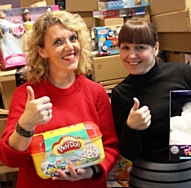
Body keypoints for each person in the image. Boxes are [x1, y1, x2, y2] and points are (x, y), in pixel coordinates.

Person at [111, 18, 191, 188]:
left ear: (155, 48)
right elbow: (129, 154)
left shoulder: (183, 73)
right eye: (125, 47)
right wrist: (132, 128)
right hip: (147, 182)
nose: (131, 55)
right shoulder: (120, 93)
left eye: (140, 47)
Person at [0, 10, 119, 188]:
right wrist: (26, 124)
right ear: (42, 51)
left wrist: (91, 171)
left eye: (73, 38)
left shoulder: (96, 92)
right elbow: (10, 159)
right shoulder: (26, 94)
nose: (70, 47)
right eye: (58, 42)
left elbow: (110, 147)